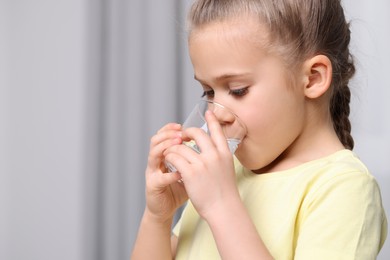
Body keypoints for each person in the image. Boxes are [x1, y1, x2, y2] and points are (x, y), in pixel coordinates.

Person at [131, 0, 387, 259]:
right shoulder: (224, 175)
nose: (215, 114)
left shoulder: (344, 190)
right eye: (208, 92)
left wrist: (221, 206)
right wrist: (157, 217)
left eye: (238, 90)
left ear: (313, 78)